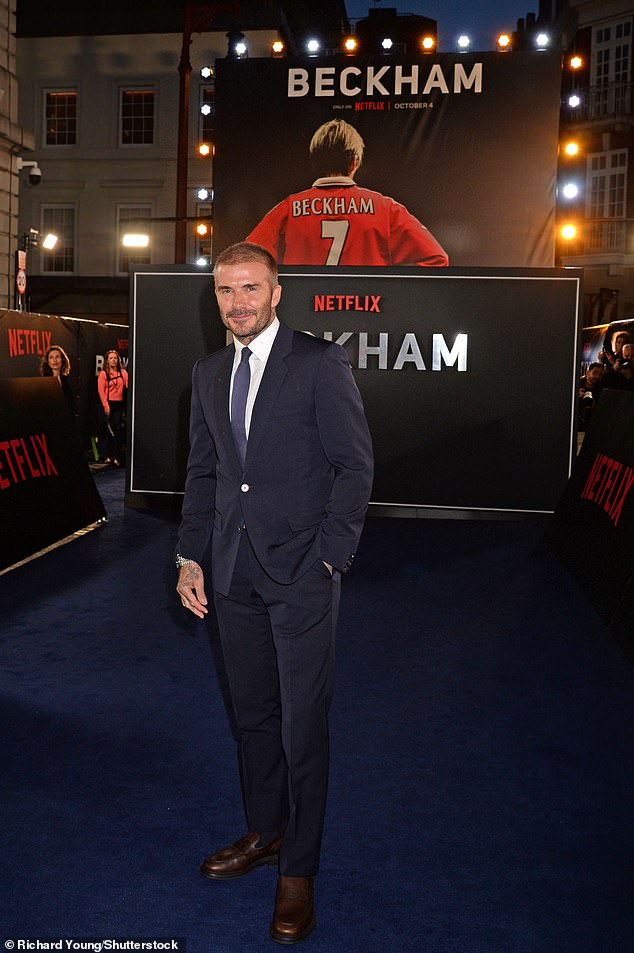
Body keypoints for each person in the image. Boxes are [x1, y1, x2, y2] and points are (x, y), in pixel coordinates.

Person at [176, 241, 373, 944]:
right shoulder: (205, 373)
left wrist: (330, 558)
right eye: (225, 292)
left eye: (250, 289)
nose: (237, 304)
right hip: (231, 572)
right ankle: (264, 829)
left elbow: (355, 466)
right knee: (254, 715)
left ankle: (300, 867)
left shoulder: (319, 362)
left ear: (278, 291)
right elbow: (203, 476)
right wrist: (189, 557)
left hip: (302, 577)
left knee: (301, 726)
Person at [246, 118, 448, 267]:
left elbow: (246, 260)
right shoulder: (386, 209)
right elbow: (437, 259)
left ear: (315, 160)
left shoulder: (288, 209)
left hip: (304, 316)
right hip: (368, 316)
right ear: (354, 162)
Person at [97, 349, 128, 466]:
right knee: (107, 431)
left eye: (115, 358)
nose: (113, 360)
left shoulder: (123, 373)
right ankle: (106, 456)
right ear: (107, 361)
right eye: (111, 358)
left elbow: (128, 385)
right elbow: (101, 391)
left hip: (118, 405)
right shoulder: (104, 374)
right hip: (107, 404)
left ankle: (115, 456)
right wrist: (106, 406)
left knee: (118, 431)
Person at [39, 344, 76, 416]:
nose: (54, 360)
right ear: (47, 361)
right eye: (51, 357)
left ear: (62, 360)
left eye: (57, 357)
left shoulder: (67, 380)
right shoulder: (43, 381)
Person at [578, 361, 604, 430]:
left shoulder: (602, 389)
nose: (597, 376)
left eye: (600, 374)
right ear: (588, 372)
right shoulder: (577, 384)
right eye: (595, 372)